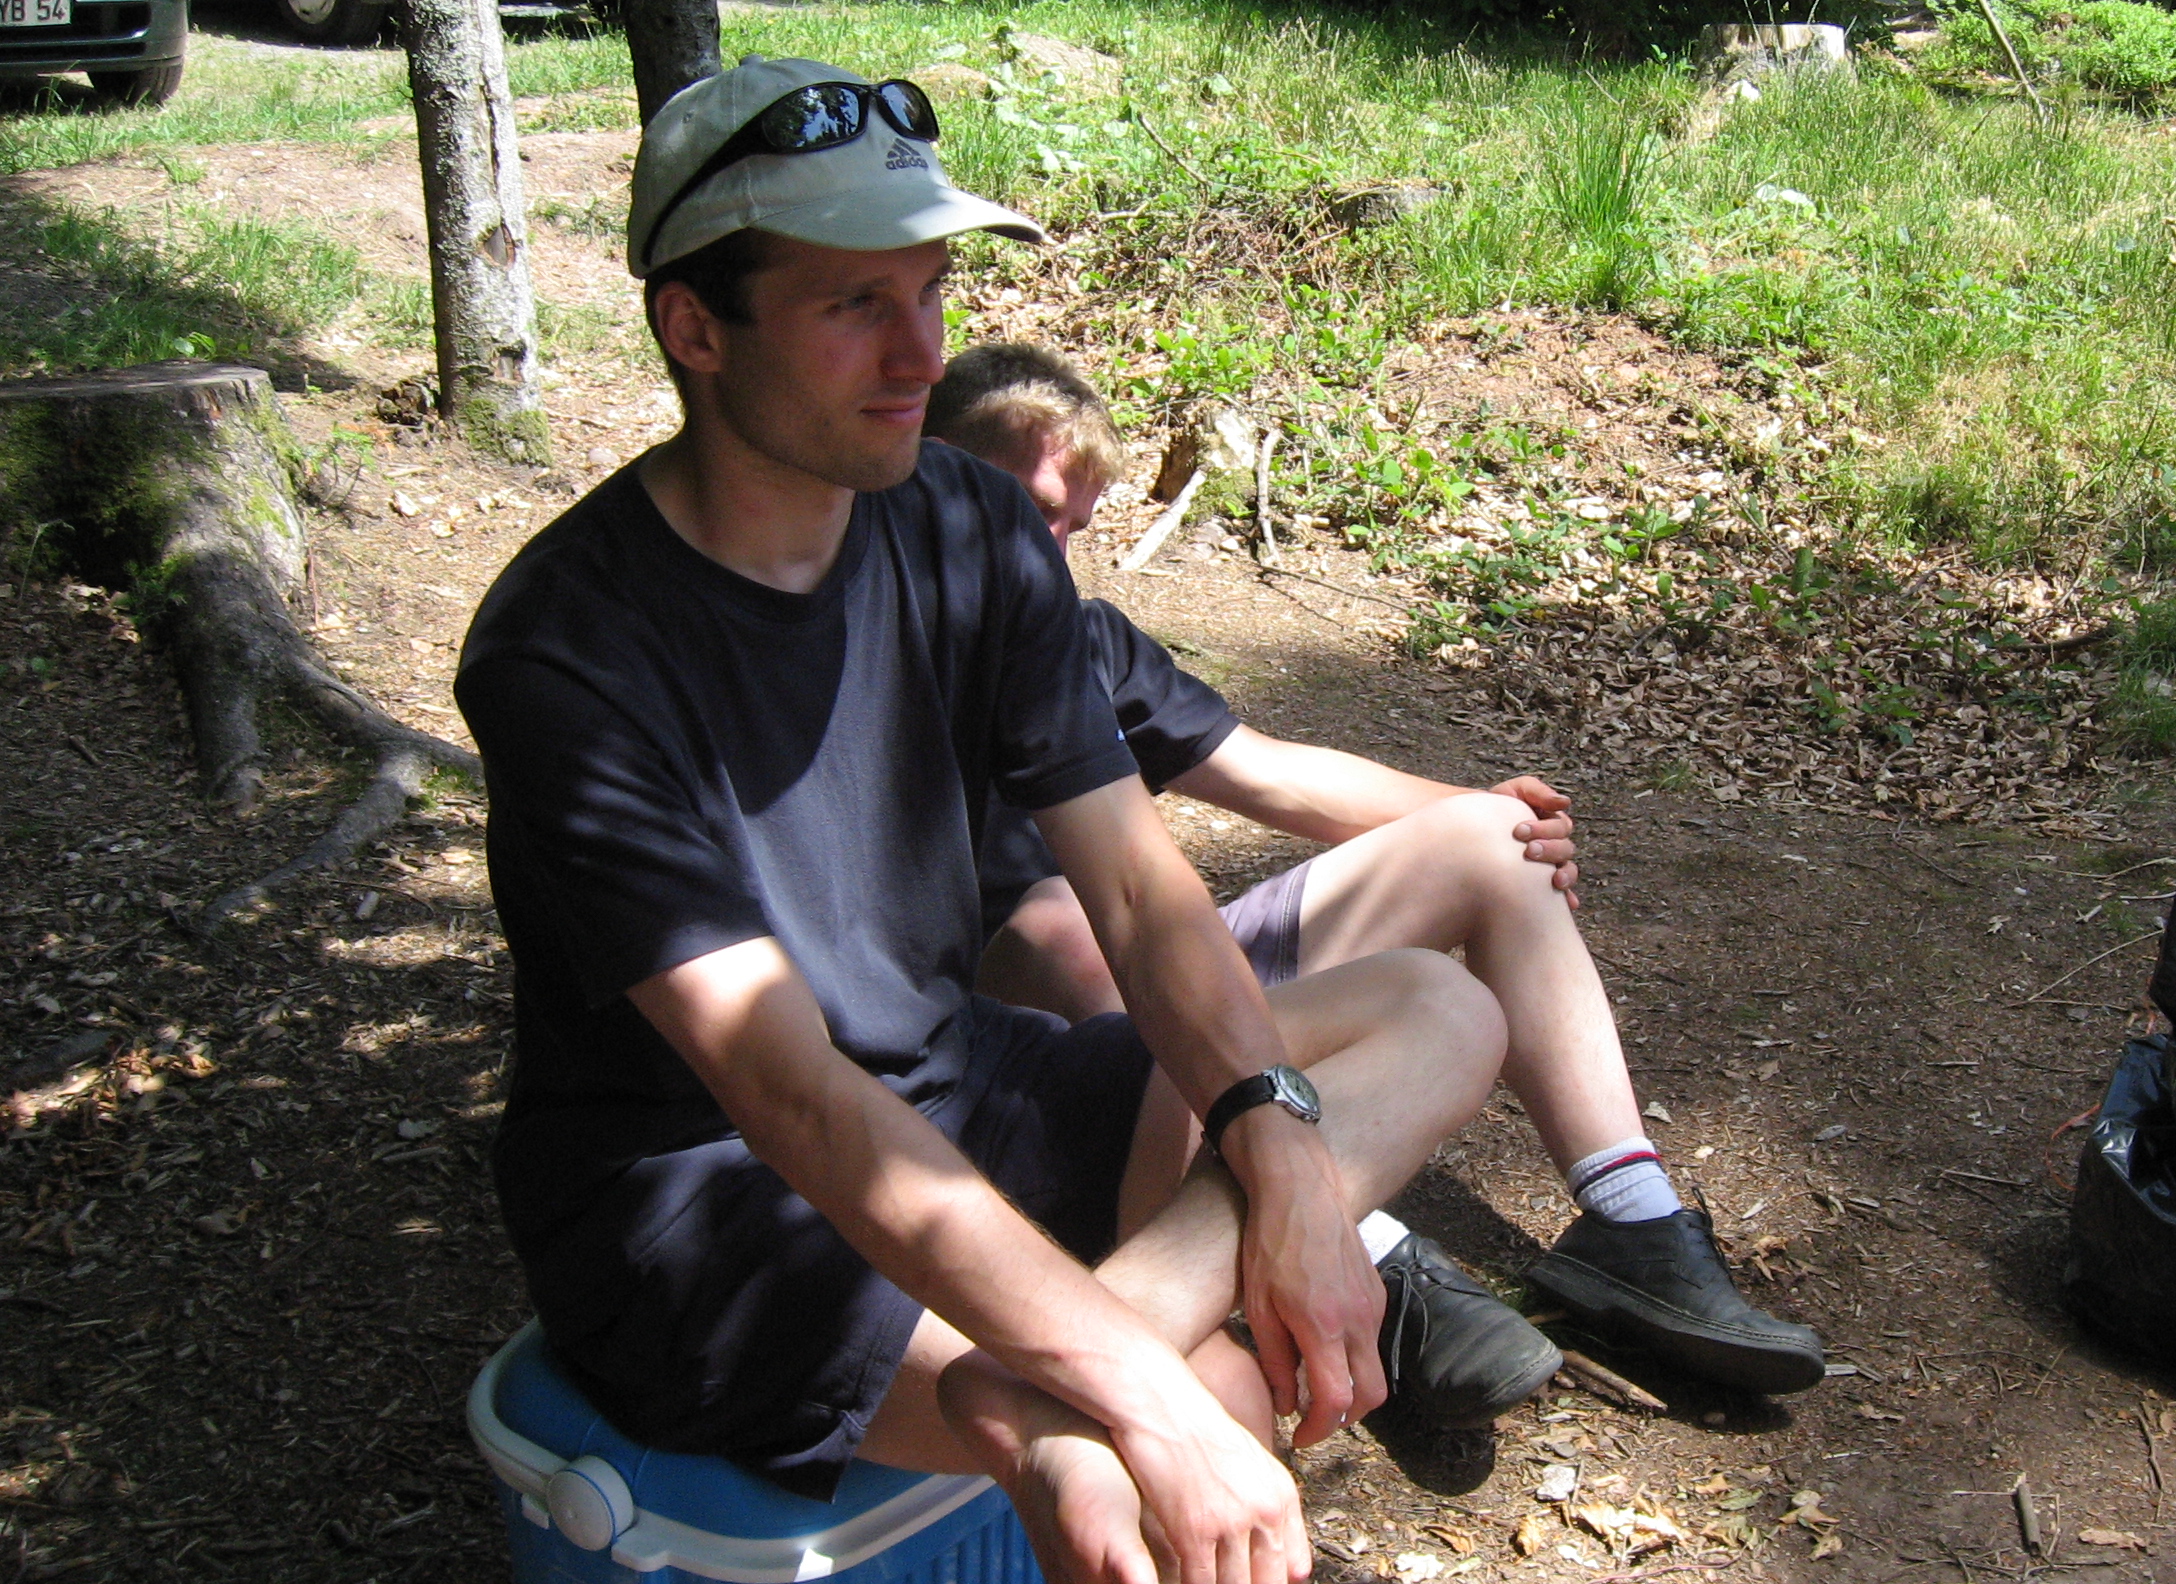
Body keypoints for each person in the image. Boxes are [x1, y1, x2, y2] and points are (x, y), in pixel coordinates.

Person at [454, 58, 1514, 1584]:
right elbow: (791, 1095)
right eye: (853, 305)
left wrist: (1279, 1159)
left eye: (931, 290)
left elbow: (1141, 898)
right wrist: (1157, 1392)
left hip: (967, 1087)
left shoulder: (963, 525)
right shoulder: (568, 654)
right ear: (694, 328)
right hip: (706, 1207)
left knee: (1437, 1008)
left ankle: (1047, 1394)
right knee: (1207, 1413)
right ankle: (1098, 1393)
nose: (921, 353)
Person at [926, 343, 1826, 1408]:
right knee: (1057, 923)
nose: (1055, 552)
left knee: (1492, 844)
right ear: (929, 474)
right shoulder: (871, 647)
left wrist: (1487, 808)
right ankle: (1368, 1255)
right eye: (1037, 513)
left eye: (1076, 526)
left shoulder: (1083, 643)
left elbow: (1270, 775)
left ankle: (1633, 1227)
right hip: (1033, 1028)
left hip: (1178, 997)